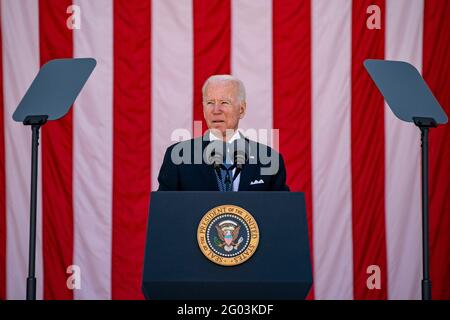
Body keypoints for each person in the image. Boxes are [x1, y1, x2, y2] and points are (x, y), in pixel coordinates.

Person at [157, 75, 289, 191]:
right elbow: (165, 212)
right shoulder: (177, 157)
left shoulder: (269, 159)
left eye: (224, 102)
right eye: (210, 103)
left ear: (241, 110)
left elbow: (281, 212)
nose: (216, 110)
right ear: (204, 110)